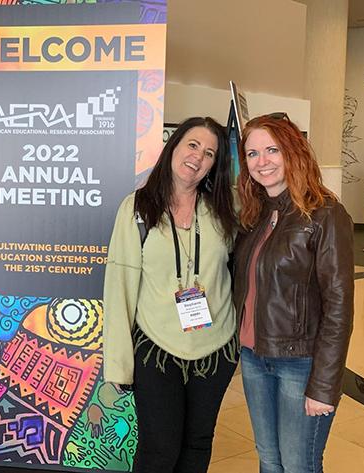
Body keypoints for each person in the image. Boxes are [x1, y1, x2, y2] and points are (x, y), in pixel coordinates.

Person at [103, 117, 239, 473]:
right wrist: (118, 363)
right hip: (156, 350)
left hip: (215, 350)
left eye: (209, 153)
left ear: (214, 165)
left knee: (197, 445)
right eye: (192, 145)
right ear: (174, 146)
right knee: (159, 450)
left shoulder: (225, 210)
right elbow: (119, 287)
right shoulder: (137, 208)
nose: (198, 157)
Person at [233, 114, 354, 473]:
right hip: (255, 358)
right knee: (269, 460)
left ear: (293, 152)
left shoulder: (325, 214)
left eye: (272, 150)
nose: (262, 161)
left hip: (300, 364)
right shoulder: (256, 214)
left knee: (299, 465)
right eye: (252, 154)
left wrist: (324, 385)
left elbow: (338, 306)